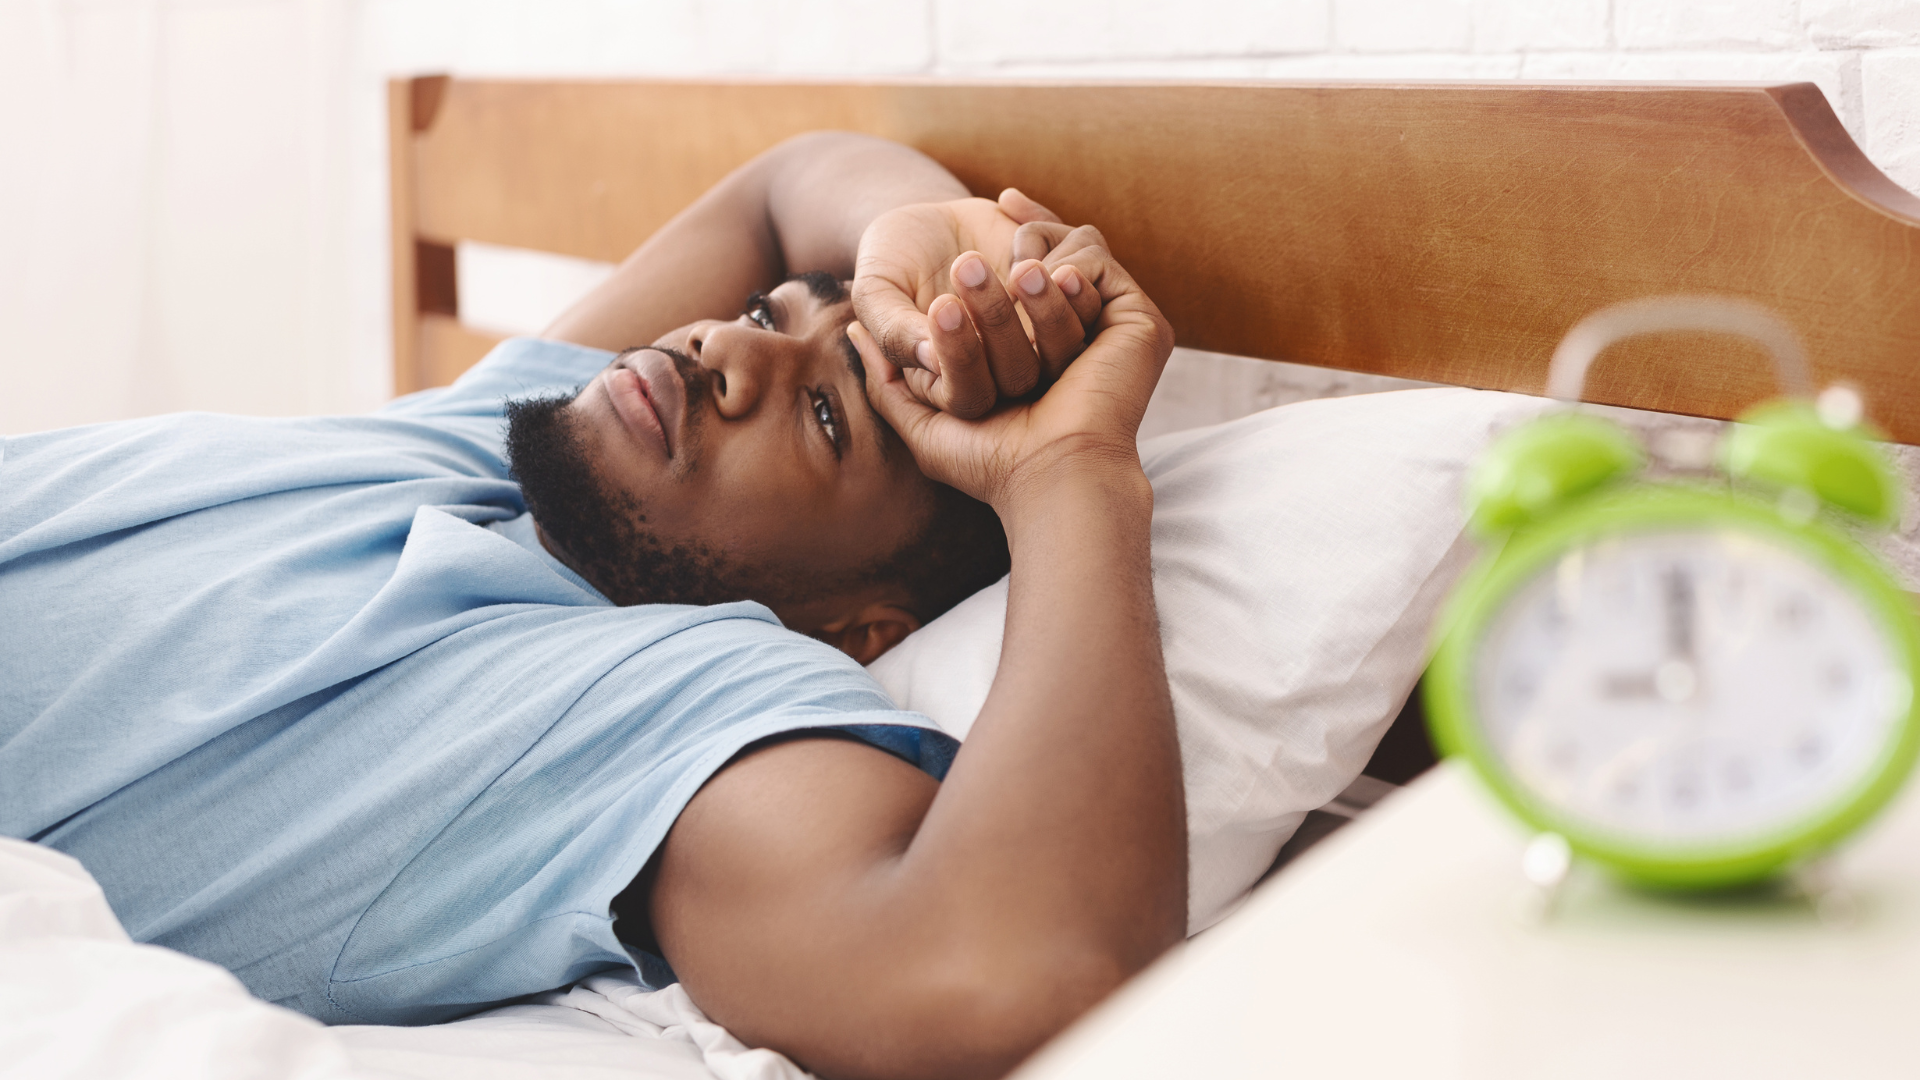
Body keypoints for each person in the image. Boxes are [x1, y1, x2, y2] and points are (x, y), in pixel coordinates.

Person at [0, 132, 1181, 1080]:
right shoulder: (516, 438)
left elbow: (1008, 973)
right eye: (773, 314)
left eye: (825, 417)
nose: (727, 346)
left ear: (861, 626)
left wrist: (1068, 476)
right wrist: (929, 234)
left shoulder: (666, 709)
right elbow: (781, 189)